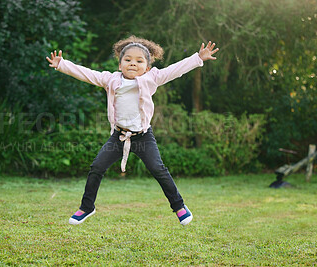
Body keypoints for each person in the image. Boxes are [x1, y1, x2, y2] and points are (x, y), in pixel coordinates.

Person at [46, 35, 219, 226]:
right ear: (120, 65)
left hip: (143, 137)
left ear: (147, 67)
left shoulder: (152, 78)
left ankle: (179, 206)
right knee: (97, 167)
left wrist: (198, 58)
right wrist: (62, 64)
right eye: (127, 60)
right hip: (118, 137)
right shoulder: (110, 79)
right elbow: (87, 74)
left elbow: (174, 70)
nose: (132, 64)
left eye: (139, 61)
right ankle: (87, 207)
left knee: (158, 169)